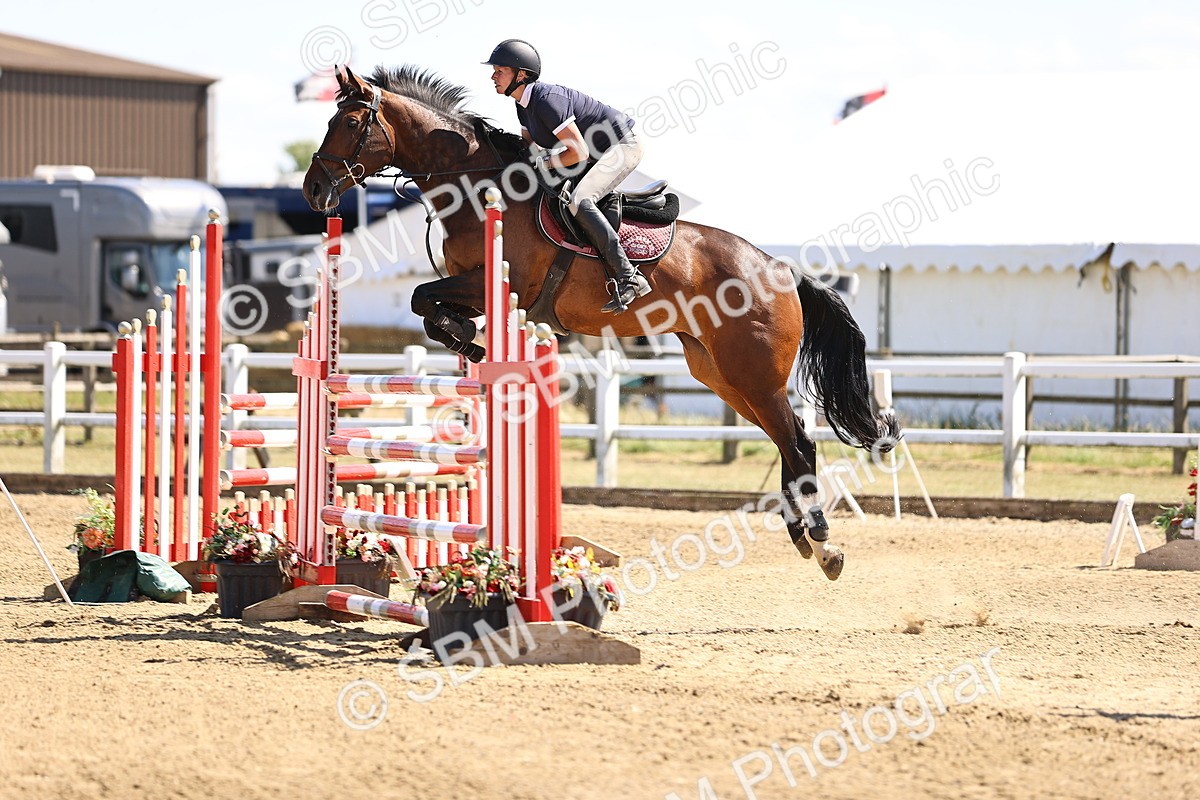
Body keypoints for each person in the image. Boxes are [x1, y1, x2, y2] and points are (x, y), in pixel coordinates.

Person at [483, 39, 652, 315]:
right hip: (595, 153)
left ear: (521, 74)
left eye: (499, 70)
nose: (493, 76)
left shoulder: (547, 100)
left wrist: (544, 163)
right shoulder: (522, 106)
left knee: (580, 199)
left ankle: (629, 275)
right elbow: (529, 150)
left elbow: (577, 152)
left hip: (621, 146)